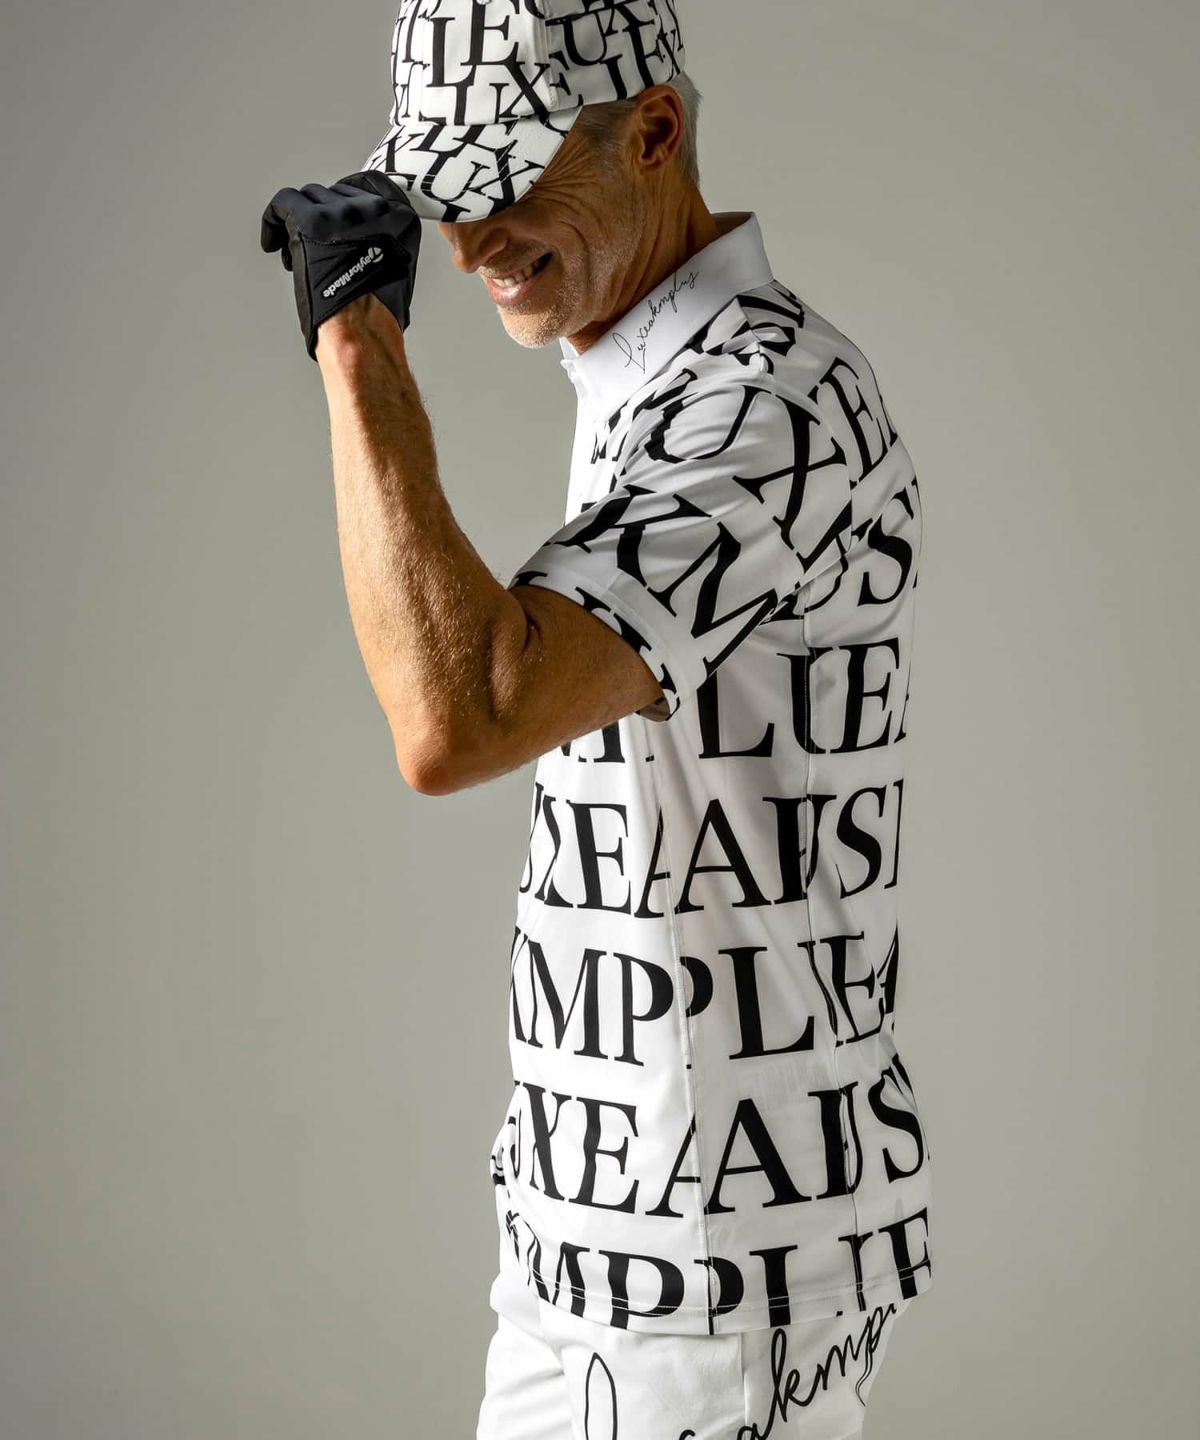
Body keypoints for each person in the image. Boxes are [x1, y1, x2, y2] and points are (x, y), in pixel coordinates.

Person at [259, 3, 934, 1436]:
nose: (467, 243)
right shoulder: (645, 373)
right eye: (446, 193)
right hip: (594, 1230)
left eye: (507, 180)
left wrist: (358, 349)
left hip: (713, 1259)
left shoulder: (767, 405)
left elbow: (461, 714)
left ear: (654, 133)